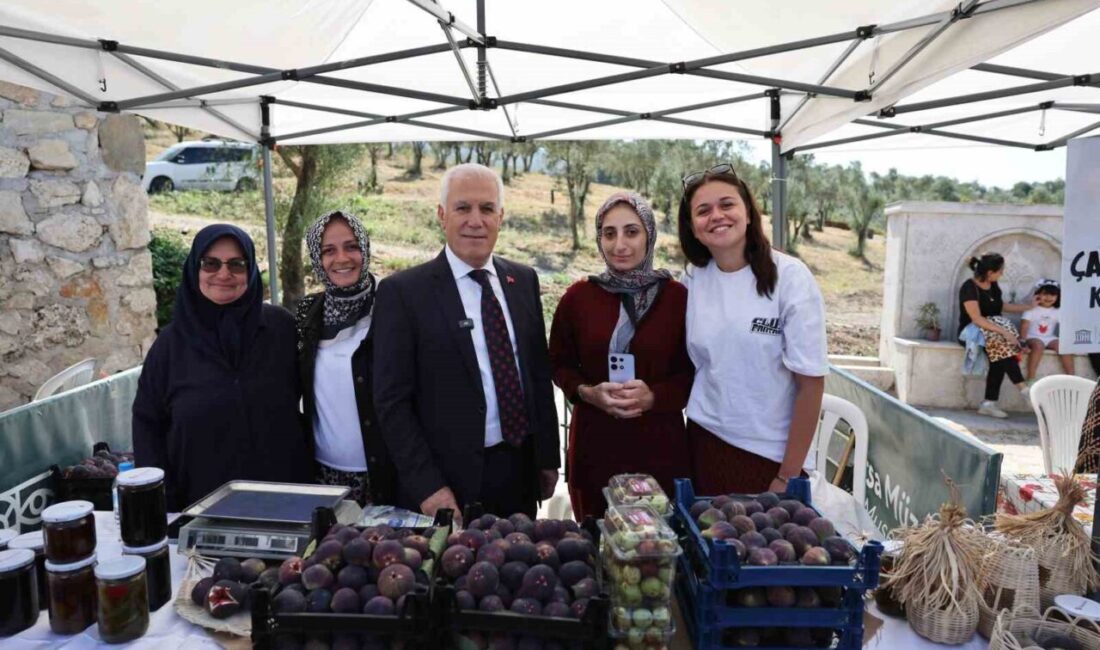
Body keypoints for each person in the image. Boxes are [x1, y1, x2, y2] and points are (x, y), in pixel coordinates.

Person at [372, 163, 560, 520]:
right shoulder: (403, 293)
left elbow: (536, 374)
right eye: (463, 208)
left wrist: (548, 458)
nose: (476, 220)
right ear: (442, 216)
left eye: (487, 209)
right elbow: (391, 402)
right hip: (446, 485)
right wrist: (427, 486)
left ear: (501, 217)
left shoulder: (524, 281)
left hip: (517, 474)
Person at [132, 224, 312, 510]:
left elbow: (319, 395)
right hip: (201, 506)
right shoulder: (170, 345)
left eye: (237, 264)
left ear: (251, 270)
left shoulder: (281, 329)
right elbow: (147, 424)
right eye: (210, 263)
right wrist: (162, 500)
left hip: (287, 499)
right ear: (195, 269)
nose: (224, 274)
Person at [677, 163, 828, 496]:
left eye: (727, 204)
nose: (716, 215)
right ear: (693, 227)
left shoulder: (790, 277)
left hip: (769, 457)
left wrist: (787, 476)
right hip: (704, 442)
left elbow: (811, 384)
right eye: (703, 210)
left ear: (748, 212)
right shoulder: (691, 279)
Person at [549, 192, 692, 520]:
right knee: (596, 545)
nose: (619, 245)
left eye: (631, 231)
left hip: (660, 448)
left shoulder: (677, 299)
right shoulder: (578, 298)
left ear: (649, 235)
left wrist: (654, 397)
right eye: (609, 233)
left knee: (656, 552)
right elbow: (559, 363)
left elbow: (693, 372)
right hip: (596, 446)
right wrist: (588, 393)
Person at [294, 210, 396, 505]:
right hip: (323, 476)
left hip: (387, 473)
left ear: (365, 249)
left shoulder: (392, 307)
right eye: (328, 250)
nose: (341, 259)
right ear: (317, 258)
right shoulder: (307, 312)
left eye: (351, 246)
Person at [957, 253, 1033, 419]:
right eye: (1000, 271)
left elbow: (1000, 305)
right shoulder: (969, 287)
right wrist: (1005, 333)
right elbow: (976, 319)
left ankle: (989, 404)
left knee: (998, 356)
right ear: (990, 272)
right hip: (972, 331)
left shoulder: (993, 284)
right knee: (1000, 347)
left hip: (993, 331)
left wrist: (1028, 306)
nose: (1002, 274)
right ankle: (1023, 390)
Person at [1021, 279, 1074, 381]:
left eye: (1053, 295)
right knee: (1038, 345)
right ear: (1037, 295)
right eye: (1045, 294)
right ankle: (1031, 378)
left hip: (1049, 338)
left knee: (1062, 345)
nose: (1049, 298)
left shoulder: (1057, 311)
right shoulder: (1031, 309)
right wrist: (1023, 341)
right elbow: (1024, 326)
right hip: (1032, 337)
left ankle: (1071, 377)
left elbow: (1065, 326)